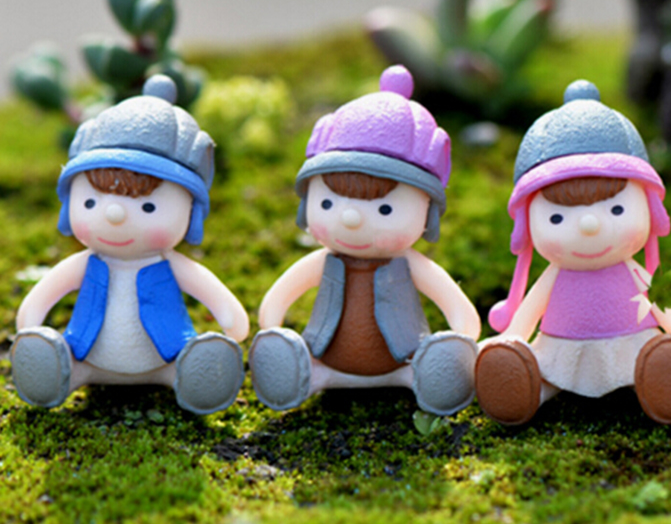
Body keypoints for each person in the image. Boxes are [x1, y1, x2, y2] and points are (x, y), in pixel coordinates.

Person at [476, 80, 671, 426]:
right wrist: (510, 338)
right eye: (557, 217)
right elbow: (528, 314)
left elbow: (661, 302)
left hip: (632, 342)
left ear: (651, 210)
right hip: (561, 346)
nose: (590, 225)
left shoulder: (631, 271)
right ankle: (522, 389)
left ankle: (665, 380)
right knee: (543, 372)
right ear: (526, 226)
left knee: (649, 363)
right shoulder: (556, 274)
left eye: (616, 210)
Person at [250, 66, 480, 415]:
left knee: (426, 366)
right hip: (329, 361)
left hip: (400, 363)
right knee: (307, 367)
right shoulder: (325, 259)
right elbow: (281, 295)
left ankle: (431, 373)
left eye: (385, 209)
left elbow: (453, 303)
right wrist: (272, 318)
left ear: (427, 211)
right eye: (328, 204)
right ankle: (300, 374)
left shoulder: (407, 263)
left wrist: (463, 331)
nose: (350, 219)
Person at [12, 75, 249, 414]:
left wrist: (230, 318)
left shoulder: (169, 263)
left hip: (163, 359)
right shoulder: (86, 262)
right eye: (90, 203)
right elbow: (44, 294)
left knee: (185, 363)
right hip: (89, 357)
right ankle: (60, 371)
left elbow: (213, 294)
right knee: (68, 360)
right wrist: (32, 319)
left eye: (148, 207)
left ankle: (192, 375)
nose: (114, 215)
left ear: (191, 212)